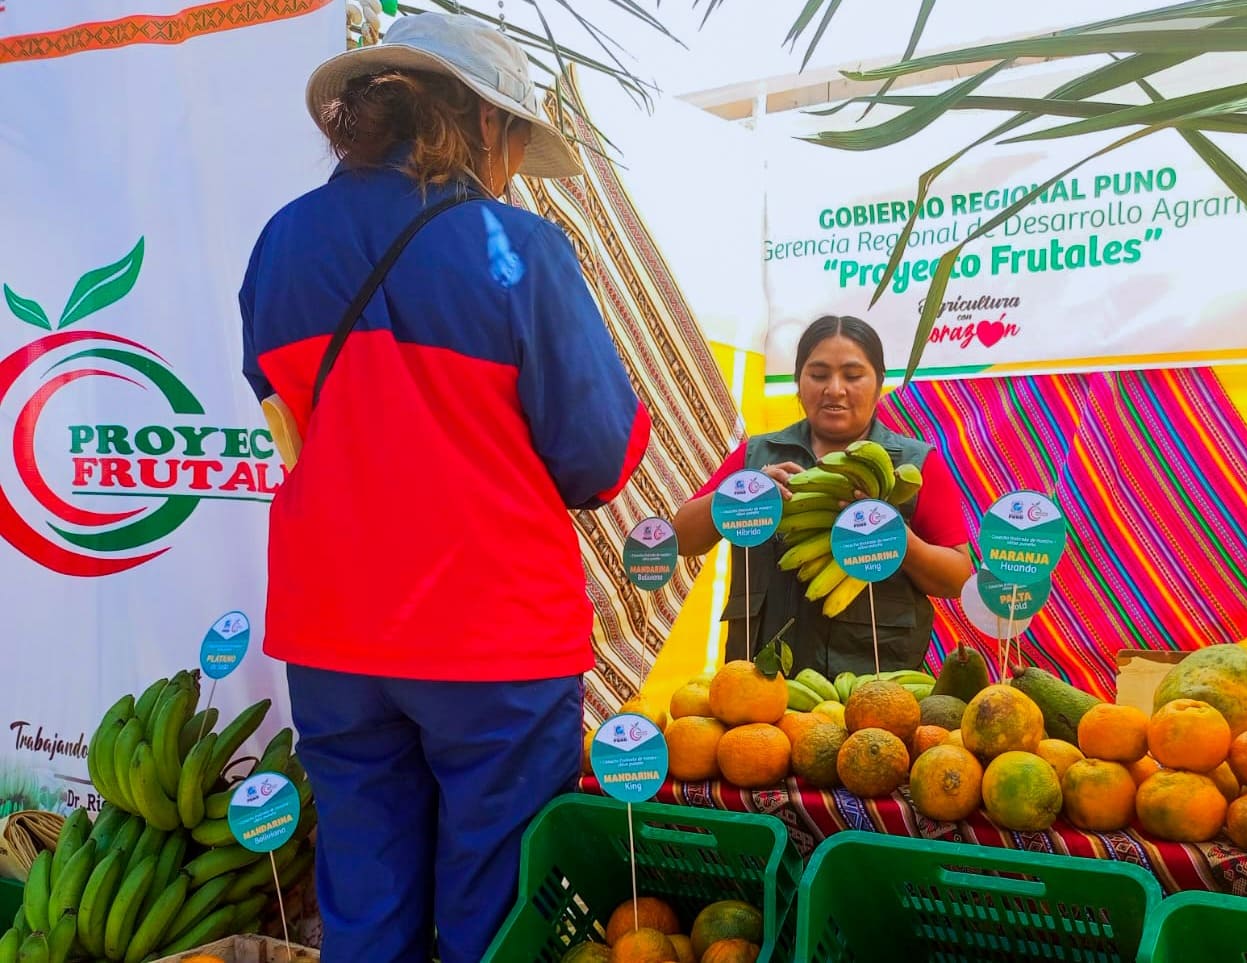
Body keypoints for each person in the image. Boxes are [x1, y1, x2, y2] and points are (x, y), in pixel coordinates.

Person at [237, 14, 649, 963]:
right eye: (511, 139)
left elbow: (281, 413)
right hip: (489, 632)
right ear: (475, 121)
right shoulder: (519, 248)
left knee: (367, 898)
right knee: (495, 909)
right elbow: (596, 456)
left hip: (334, 629)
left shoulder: (279, 244)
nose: (511, 165)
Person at [673, 315, 973, 676]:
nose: (834, 389)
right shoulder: (756, 457)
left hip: (876, 685)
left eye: (852, 375)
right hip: (760, 681)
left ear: (879, 384)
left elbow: (958, 578)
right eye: (818, 375)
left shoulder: (915, 466)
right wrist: (743, 492)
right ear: (798, 383)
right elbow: (682, 538)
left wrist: (898, 541)